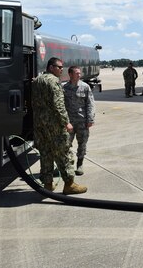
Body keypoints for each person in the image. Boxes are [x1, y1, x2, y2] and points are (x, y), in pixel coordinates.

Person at [31, 57, 87, 194]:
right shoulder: (54, 81)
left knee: (45, 153)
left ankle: (48, 184)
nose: (62, 70)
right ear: (51, 67)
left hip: (40, 125)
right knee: (63, 153)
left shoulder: (37, 80)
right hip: (54, 125)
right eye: (59, 67)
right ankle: (69, 184)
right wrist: (66, 122)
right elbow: (58, 105)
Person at [63, 66, 95, 176]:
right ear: (70, 74)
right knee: (66, 144)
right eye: (77, 73)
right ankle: (68, 165)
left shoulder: (85, 87)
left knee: (82, 144)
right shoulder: (64, 88)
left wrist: (90, 119)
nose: (79, 75)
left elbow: (90, 103)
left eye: (79, 73)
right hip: (69, 123)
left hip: (82, 121)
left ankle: (80, 164)